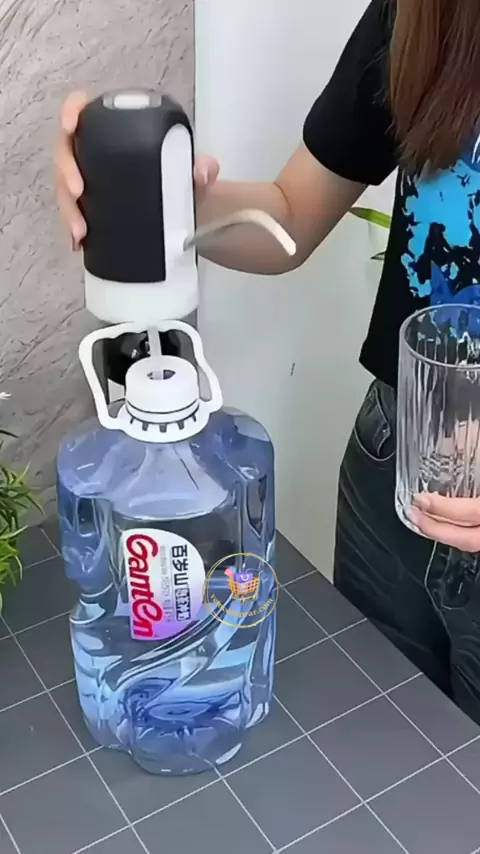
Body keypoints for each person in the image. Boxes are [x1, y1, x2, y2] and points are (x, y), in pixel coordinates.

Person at [55, 0, 480, 723]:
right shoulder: (429, 13)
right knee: (377, 737)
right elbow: (290, 213)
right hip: (392, 470)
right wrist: (147, 195)